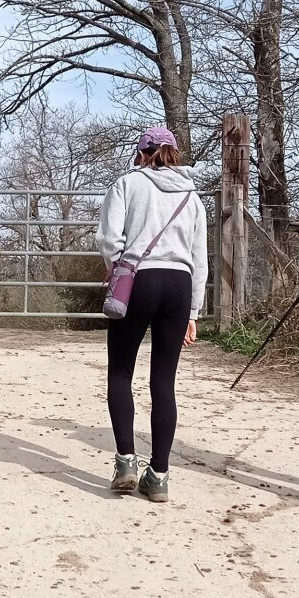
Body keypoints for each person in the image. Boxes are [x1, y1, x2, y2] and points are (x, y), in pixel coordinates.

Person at [96, 125, 208, 503]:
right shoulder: (193, 198)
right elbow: (200, 259)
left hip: (139, 279)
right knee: (164, 381)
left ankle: (126, 461)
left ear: (142, 153)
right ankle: (158, 475)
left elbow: (109, 239)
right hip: (179, 283)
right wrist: (193, 309)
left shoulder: (128, 184)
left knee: (121, 370)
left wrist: (117, 270)